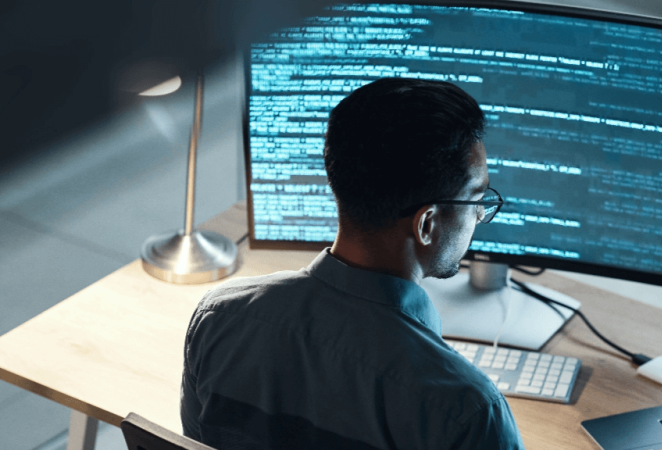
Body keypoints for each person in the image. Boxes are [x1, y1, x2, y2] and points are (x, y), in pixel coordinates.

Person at [180, 78, 525, 449]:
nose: (479, 214)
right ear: (427, 224)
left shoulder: (219, 318)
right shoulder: (467, 410)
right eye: (476, 199)